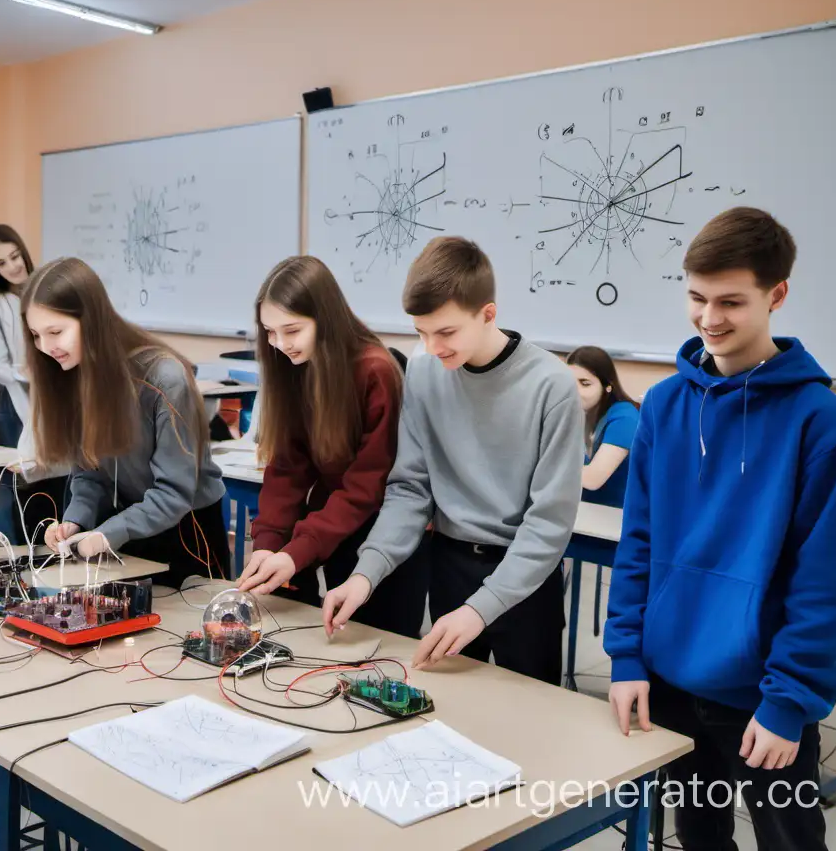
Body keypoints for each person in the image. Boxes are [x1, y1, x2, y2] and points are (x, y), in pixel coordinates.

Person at [604, 207, 836, 851]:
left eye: (731, 301)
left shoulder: (827, 427)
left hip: (762, 693)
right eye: (696, 297)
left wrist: (788, 701)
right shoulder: (664, 405)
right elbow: (638, 540)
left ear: (777, 295)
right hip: (667, 680)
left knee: (790, 840)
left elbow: (826, 586)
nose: (709, 318)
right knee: (698, 836)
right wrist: (626, 657)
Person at [322, 236, 583, 680]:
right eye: (421, 333)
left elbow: (548, 525)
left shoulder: (551, 386)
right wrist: (365, 575)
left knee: (533, 727)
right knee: (455, 719)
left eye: (446, 332)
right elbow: (410, 489)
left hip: (524, 579)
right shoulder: (424, 371)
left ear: (488, 314)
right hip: (449, 566)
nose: (433, 346)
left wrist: (480, 610)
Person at [236, 256, 428, 638]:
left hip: (383, 535)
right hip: (336, 526)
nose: (280, 344)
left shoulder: (376, 371)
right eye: (270, 332)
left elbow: (365, 487)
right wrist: (268, 544)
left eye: (291, 330)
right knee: (330, 644)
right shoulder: (293, 367)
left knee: (378, 652)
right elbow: (287, 468)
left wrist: (297, 551)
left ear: (326, 318)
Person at [19, 257, 230, 587]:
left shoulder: (163, 378)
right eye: (36, 334)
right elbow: (88, 471)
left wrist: (107, 534)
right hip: (126, 526)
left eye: (56, 332)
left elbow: (174, 493)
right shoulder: (72, 375)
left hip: (188, 531)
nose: (46, 347)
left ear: (91, 320)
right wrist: (75, 519)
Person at [566, 345, 640, 508]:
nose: (575, 391)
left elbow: (592, 480)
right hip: (586, 510)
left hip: (614, 518)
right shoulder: (581, 412)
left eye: (585, 384)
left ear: (607, 386)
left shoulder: (625, 418)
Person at [0, 224, 34, 446]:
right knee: (20, 475)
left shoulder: (47, 292)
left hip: (54, 396)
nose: (12, 267)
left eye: (15, 256)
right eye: (1, 263)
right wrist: (25, 374)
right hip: (15, 402)